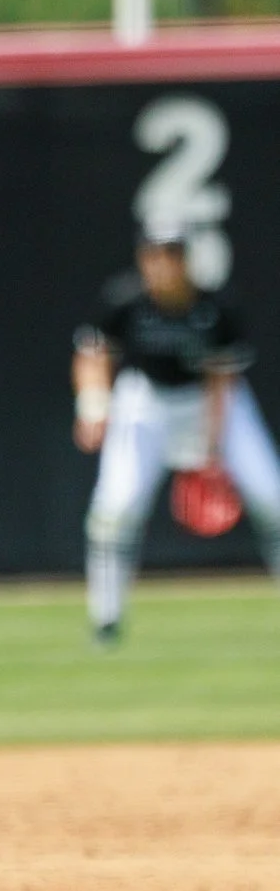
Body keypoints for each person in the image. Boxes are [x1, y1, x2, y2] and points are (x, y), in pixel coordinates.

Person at [75, 236, 280, 643]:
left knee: (272, 498)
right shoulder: (125, 302)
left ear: (185, 261)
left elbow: (221, 380)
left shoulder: (215, 307)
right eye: (153, 256)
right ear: (143, 260)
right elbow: (93, 355)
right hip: (146, 402)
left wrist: (212, 449)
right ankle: (106, 620)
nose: (162, 266)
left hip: (210, 402)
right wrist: (93, 405)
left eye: (171, 256)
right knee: (114, 511)